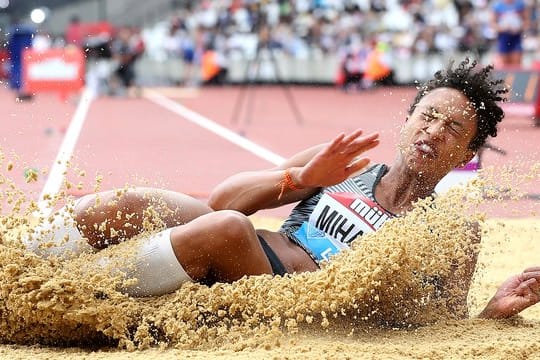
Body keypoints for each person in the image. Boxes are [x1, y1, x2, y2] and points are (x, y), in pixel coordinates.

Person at [23, 59, 540, 319]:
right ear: (407, 120)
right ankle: (20, 262)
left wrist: (489, 314)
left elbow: (440, 322)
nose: (433, 132)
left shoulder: (447, 229)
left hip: (284, 298)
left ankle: (53, 302)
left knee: (225, 230)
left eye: (453, 129)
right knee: (136, 201)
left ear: (467, 155)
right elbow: (223, 199)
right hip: (246, 247)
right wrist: (303, 179)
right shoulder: (347, 163)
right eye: (427, 117)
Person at [491, 0, 530, 67]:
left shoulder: (520, 4)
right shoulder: (497, 5)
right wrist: (502, 28)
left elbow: (526, 21)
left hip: (516, 37)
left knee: (516, 62)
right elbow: (492, 23)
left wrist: (519, 28)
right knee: (504, 63)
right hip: (503, 37)